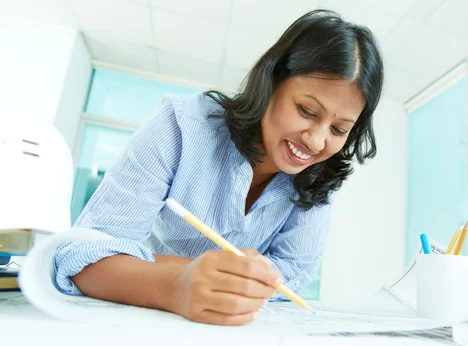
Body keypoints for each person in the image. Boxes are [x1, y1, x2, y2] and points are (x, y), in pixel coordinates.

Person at [54, 9, 384, 326]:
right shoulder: (183, 126)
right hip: (144, 319)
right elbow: (84, 255)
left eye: (339, 130)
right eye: (307, 110)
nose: (315, 141)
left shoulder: (322, 175)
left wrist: (178, 270)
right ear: (271, 82)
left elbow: (291, 278)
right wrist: (178, 283)